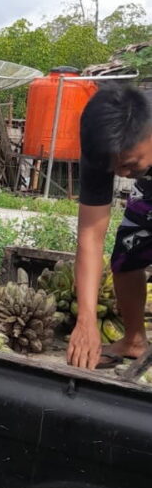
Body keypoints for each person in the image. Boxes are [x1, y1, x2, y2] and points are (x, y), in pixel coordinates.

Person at [68, 85, 152, 369]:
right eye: (114, 169)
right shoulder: (102, 146)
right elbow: (91, 235)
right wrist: (86, 319)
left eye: (129, 165)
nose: (122, 175)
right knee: (127, 254)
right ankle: (134, 339)